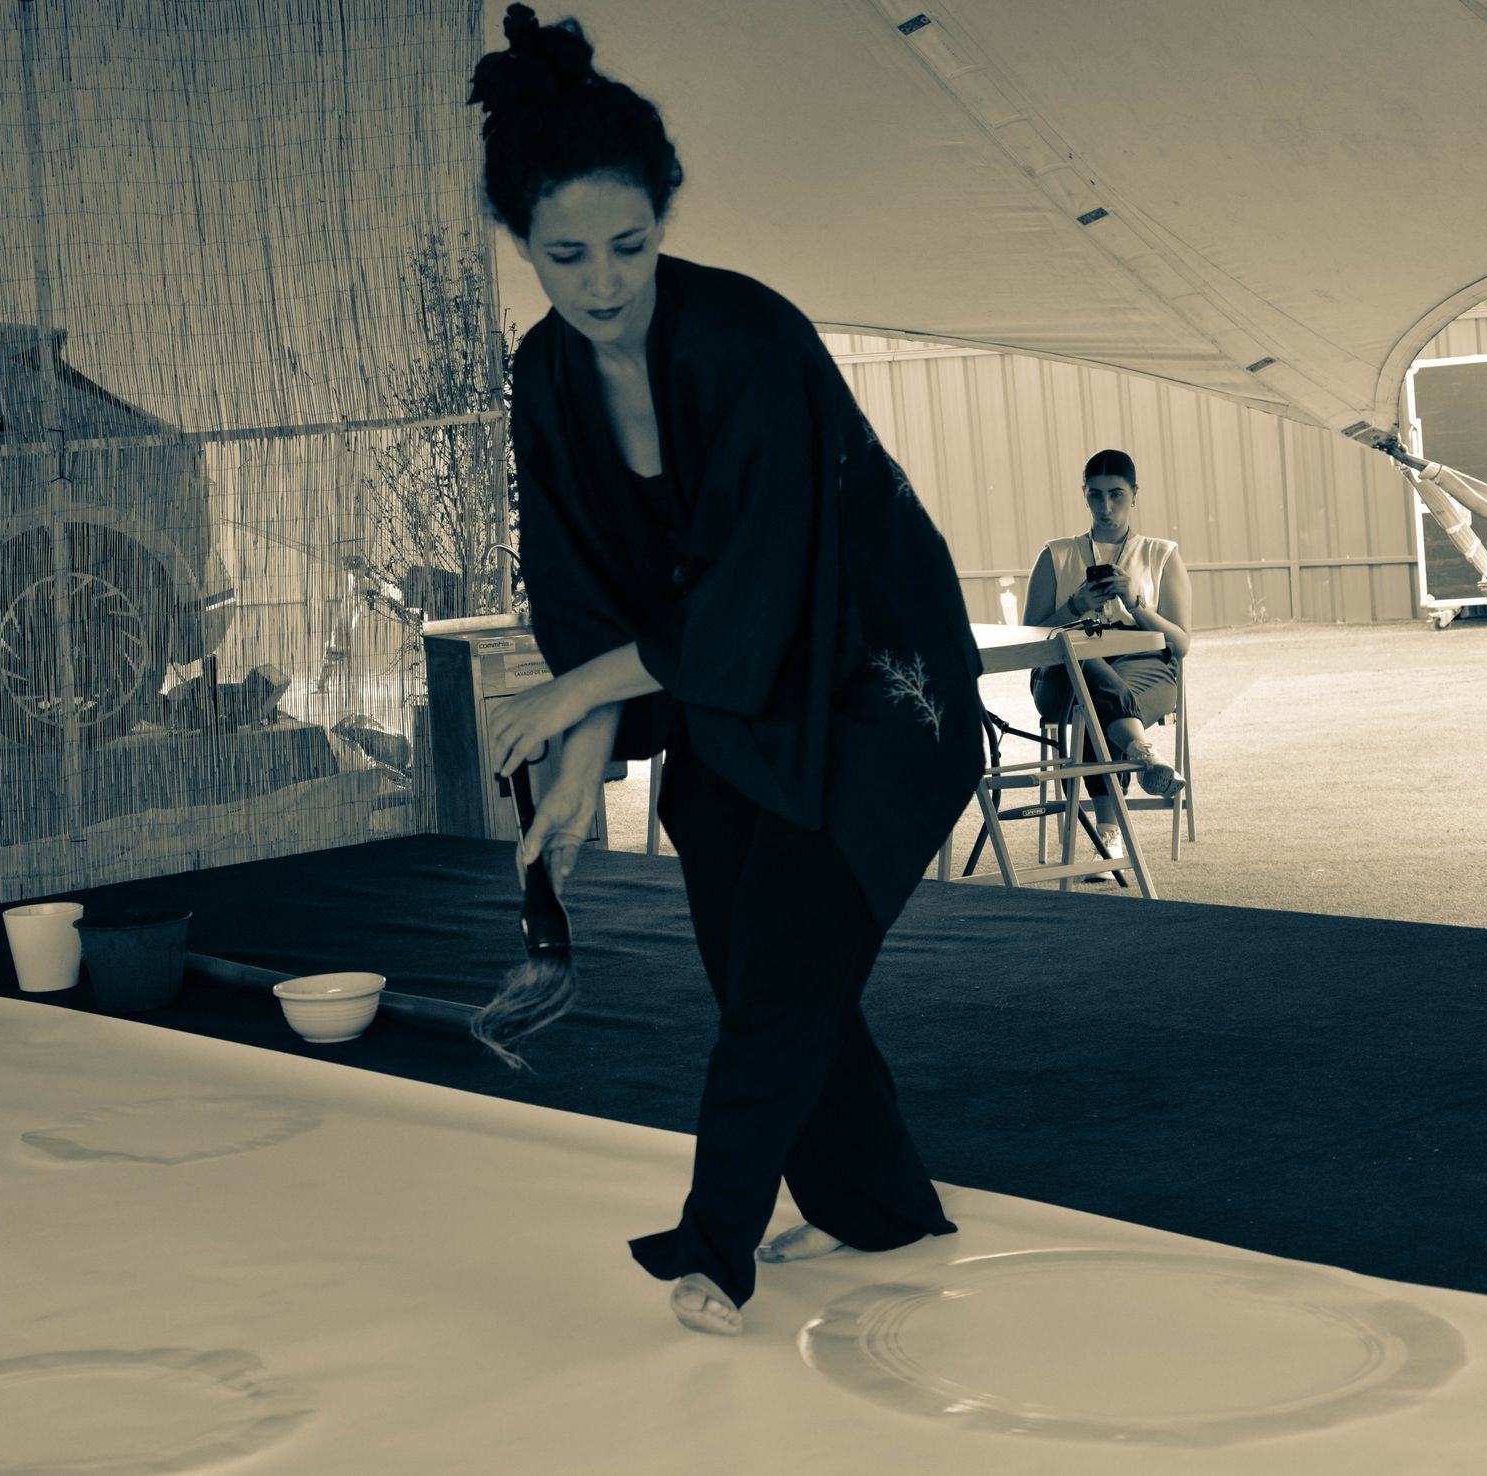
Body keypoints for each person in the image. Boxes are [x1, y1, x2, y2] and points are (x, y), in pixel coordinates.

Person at [468, 5, 985, 1336]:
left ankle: (718, 1246)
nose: (602, 282)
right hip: (725, 698)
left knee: (780, 983)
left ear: (665, 221)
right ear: (520, 242)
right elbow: (581, 595)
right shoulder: (544, 376)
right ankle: (876, 1206)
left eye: (630, 245)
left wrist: (572, 699)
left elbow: (762, 586)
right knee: (760, 963)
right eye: (565, 254)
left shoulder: (749, 340)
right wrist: (577, 776)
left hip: (871, 693)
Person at [1022, 449, 1192, 868]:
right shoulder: (1055, 554)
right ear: (1084, 494)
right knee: (1080, 663)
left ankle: (1108, 833)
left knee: (1094, 703)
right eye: (1095, 495)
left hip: (1142, 663)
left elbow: (1180, 644)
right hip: (1063, 667)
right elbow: (1028, 640)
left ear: (1134, 494)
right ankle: (1141, 753)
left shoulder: (1160, 553)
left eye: (1116, 494)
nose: (1106, 506)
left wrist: (1135, 602)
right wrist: (1076, 605)